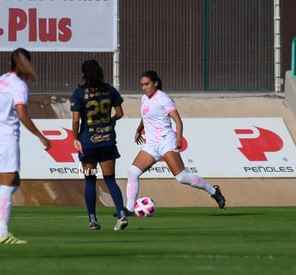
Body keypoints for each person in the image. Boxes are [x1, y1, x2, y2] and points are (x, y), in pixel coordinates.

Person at [123, 70, 226, 215]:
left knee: (181, 177)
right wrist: (139, 129)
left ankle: (214, 191)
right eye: (142, 85)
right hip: (151, 144)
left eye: (147, 84)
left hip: (166, 141)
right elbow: (146, 116)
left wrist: (178, 139)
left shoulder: (164, 98)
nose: (144, 88)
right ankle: (128, 209)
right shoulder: (144, 98)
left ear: (155, 83)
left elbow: (177, 120)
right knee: (132, 172)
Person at [0, 48, 51, 244]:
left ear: (11, 64)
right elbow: (22, 114)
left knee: (13, 181)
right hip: (6, 137)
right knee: (7, 183)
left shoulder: (1, 80)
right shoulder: (19, 85)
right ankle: (2, 233)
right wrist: (40, 136)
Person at [70, 59, 128, 231]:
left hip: (88, 143)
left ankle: (93, 220)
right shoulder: (109, 89)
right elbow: (120, 112)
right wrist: (110, 121)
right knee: (110, 179)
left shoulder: (79, 93)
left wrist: (75, 138)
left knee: (90, 180)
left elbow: (75, 120)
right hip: (107, 141)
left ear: (83, 75)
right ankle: (121, 214)